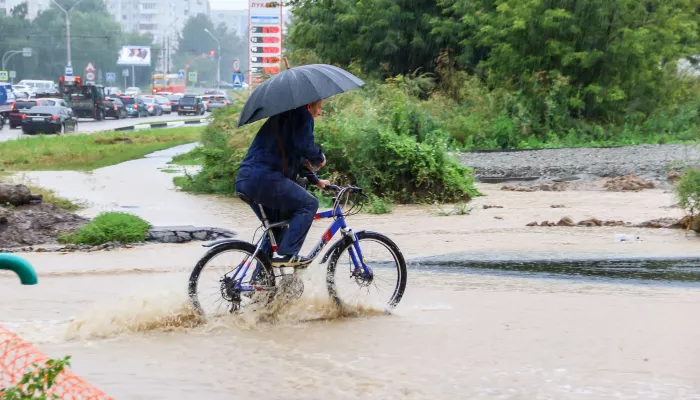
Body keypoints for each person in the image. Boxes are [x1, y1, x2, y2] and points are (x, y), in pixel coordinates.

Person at [234, 100, 329, 266]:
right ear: (309, 106)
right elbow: (306, 146)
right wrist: (320, 158)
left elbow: (297, 157)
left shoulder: (284, 118)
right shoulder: (303, 115)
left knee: (276, 229)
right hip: (265, 178)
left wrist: (316, 181)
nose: (320, 112)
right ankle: (288, 254)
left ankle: (260, 284)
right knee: (309, 204)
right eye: (319, 107)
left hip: (246, 179)